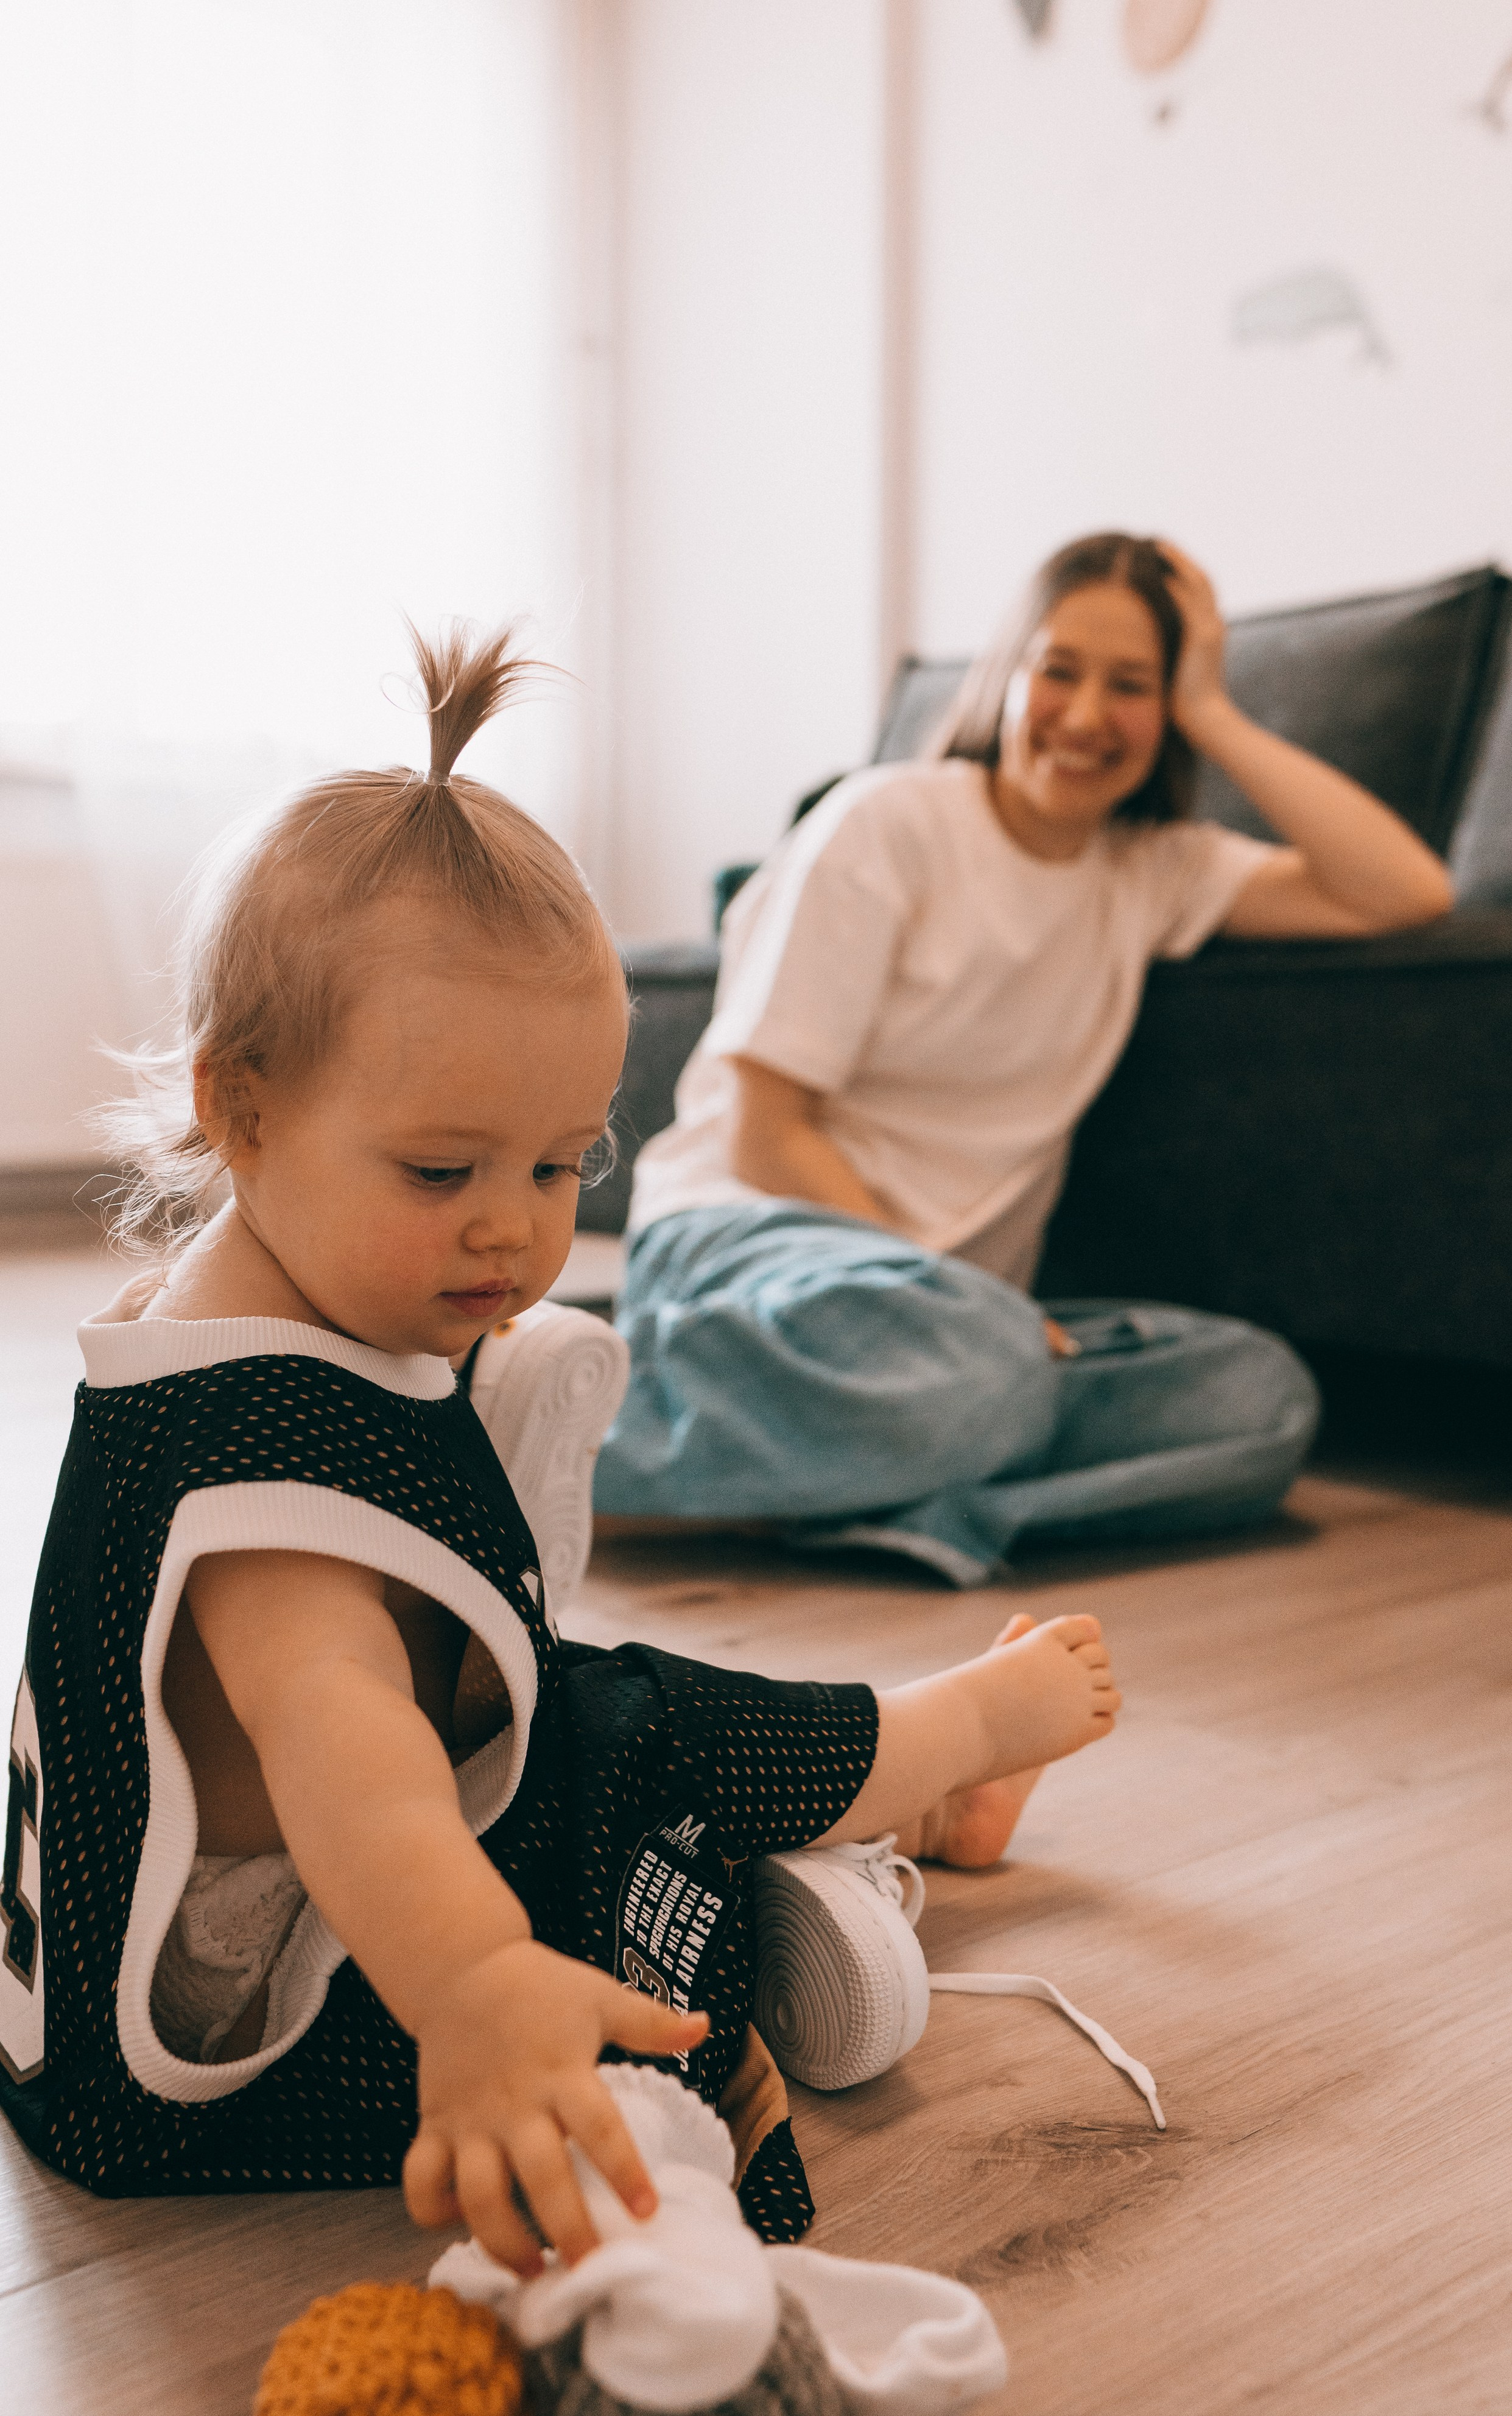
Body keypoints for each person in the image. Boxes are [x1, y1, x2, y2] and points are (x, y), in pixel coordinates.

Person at [0, 625, 1128, 2272]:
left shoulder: (229, 1316)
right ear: (241, 1114)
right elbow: (351, 1766)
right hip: (268, 2013)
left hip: (147, 1946)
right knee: (630, 1725)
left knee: (542, 1680)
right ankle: (897, 1779)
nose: (516, 1232)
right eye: (446, 1171)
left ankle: (839, 1828)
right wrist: (468, 1991)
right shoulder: (272, 1507)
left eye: (560, 1164)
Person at [595, 536, 1454, 1586]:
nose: (1088, 715)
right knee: (980, 1374)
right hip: (759, 1246)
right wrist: (958, 1303)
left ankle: (881, 1494)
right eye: (1060, 670)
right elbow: (766, 1128)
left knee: (1262, 1400)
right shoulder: (885, 820)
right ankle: (552, 1441)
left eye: (1132, 686)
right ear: (1008, 675)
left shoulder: (1155, 872)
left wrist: (1217, 713)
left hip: (966, 1335)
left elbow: (1407, 893)